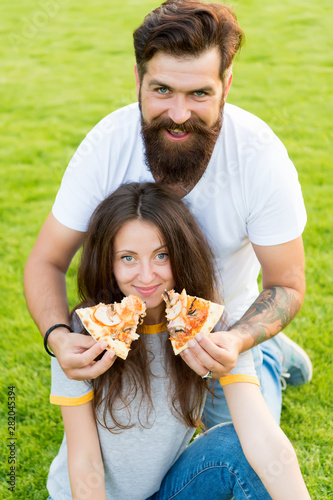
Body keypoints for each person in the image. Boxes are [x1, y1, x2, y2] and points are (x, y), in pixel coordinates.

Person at [24, 0, 312, 430]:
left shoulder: (260, 156)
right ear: (138, 80)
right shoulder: (106, 145)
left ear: (227, 86)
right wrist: (58, 337)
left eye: (199, 93)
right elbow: (46, 261)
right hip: (128, 339)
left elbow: (286, 284)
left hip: (219, 331)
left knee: (241, 446)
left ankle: (268, 351)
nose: (179, 115)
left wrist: (238, 338)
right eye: (162, 91)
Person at [47, 182, 310, 500]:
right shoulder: (80, 337)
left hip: (166, 492)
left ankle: (269, 351)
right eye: (128, 258)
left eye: (161, 255)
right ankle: (272, 351)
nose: (146, 276)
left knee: (236, 443)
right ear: (108, 263)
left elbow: (264, 439)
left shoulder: (209, 325)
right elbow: (85, 462)